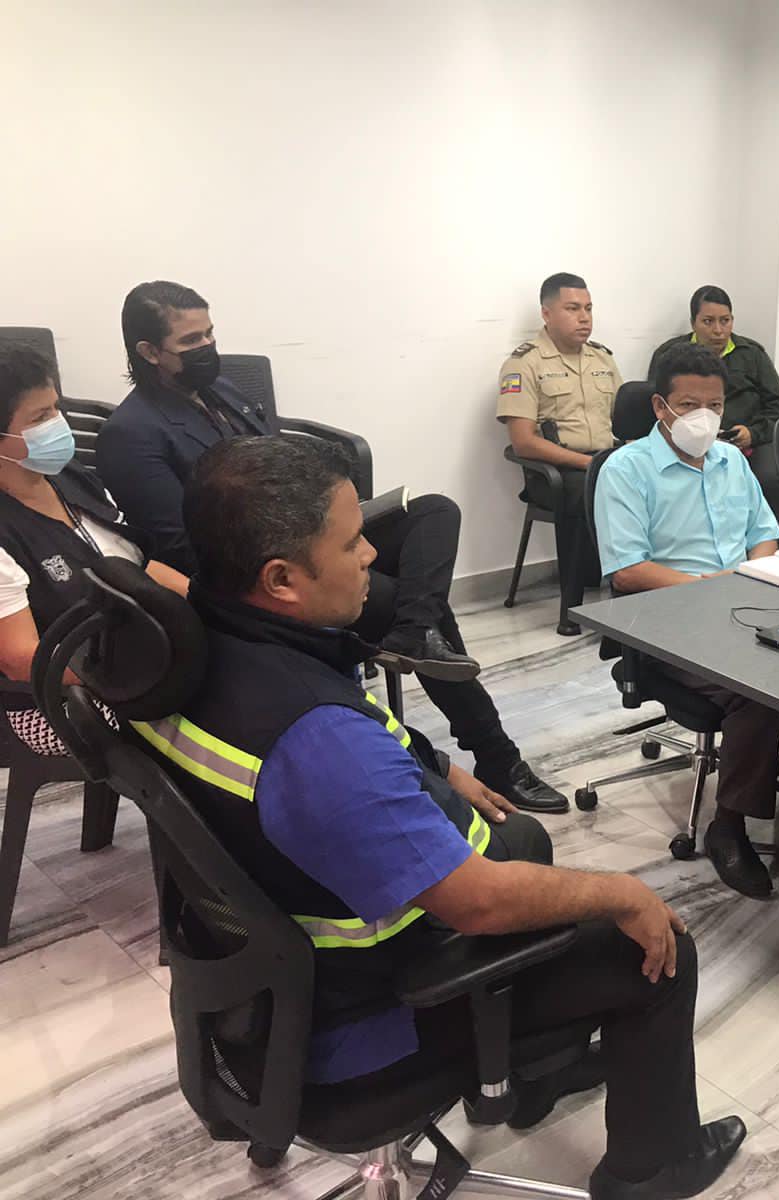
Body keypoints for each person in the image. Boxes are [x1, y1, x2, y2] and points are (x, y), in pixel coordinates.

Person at [138, 434, 744, 1200]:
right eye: (351, 542)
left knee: (522, 834)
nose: (370, 555)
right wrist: (625, 893)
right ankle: (652, 1171)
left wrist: (439, 768)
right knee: (658, 949)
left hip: (258, 995)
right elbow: (477, 903)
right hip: (366, 1022)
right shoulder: (317, 741)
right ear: (281, 578)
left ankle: (533, 1073)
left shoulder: (186, 648)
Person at [99, 281, 566, 813]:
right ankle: (494, 751)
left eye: (210, 333)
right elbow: (184, 549)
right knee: (401, 597)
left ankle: (414, 633)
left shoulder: (222, 391)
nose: (208, 347)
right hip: (260, 573)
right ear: (148, 351)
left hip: (306, 532)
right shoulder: (132, 434)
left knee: (434, 512)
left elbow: (281, 468)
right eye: (191, 341)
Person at [593, 344, 779, 898]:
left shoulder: (732, 460)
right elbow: (628, 572)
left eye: (715, 404)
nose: (704, 416)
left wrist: (757, 574)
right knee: (760, 690)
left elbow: (764, 535)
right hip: (668, 622)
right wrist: (711, 589)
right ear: (660, 406)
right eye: (689, 405)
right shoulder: (626, 469)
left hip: (744, 604)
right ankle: (727, 825)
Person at [0, 348, 188, 755]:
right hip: (56, 699)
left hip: (137, 645)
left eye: (56, 408)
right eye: (39, 417)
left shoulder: (70, 477)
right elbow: (19, 658)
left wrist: (210, 603)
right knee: (203, 707)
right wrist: (130, 669)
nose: (58, 424)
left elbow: (135, 564)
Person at [498, 272, 622, 637]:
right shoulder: (524, 363)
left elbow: (626, 419)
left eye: (588, 308)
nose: (584, 317)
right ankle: (572, 608)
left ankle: (644, 592)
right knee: (587, 489)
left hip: (604, 461)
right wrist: (589, 463)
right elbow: (523, 442)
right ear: (546, 313)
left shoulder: (602, 358)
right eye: (573, 308)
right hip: (554, 471)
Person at [647, 286, 779, 541]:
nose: (718, 330)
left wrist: (753, 433)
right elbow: (659, 407)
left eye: (725, 321)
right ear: (693, 323)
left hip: (749, 441)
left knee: (770, 478)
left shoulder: (751, 354)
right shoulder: (669, 355)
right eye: (708, 321)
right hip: (687, 440)